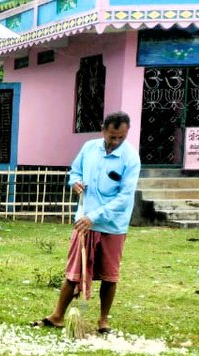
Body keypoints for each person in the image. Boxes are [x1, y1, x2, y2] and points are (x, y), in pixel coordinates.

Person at [35, 111, 140, 334]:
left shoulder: (131, 158)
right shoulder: (89, 148)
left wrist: (95, 216)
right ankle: (57, 316)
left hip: (112, 225)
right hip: (84, 220)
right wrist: (74, 182)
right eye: (112, 136)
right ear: (103, 130)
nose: (116, 141)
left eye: (121, 137)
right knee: (73, 273)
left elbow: (124, 197)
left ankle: (103, 320)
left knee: (110, 276)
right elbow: (75, 171)